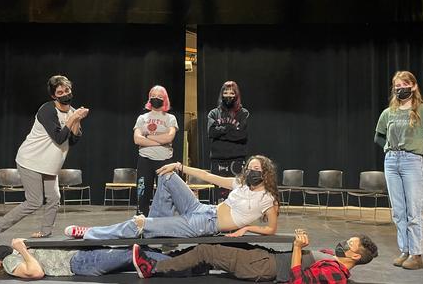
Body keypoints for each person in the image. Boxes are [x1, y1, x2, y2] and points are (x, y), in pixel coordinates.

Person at [0, 75, 89, 248]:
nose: (65, 94)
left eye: (67, 90)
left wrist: (76, 118)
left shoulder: (72, 111)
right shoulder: (47, 110)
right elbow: (60, 138)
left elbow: (73, 140)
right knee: (34, 201)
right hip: (31, 160)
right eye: (60, 92)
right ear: (54, 96)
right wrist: (73, 118)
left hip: (49, 165)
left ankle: (45, 233)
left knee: (54, 198)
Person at [64, 155, 279, 240]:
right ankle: (157, 233)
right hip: (203, 209)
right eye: (249, 167)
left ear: (265, 173)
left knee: (140, 223)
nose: (251, 171)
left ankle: (90, 233)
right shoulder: (240, 183)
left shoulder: (268, 199)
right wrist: (179, 166)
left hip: (204, 224)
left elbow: (271, 229)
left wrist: (247, 228)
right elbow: (208, 176)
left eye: (256, 168)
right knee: (167, 177)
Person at [374, 71, 423, 270]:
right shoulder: (388, 113)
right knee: (398, 211)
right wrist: (389, 149)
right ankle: (404, 250)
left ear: (413, 86)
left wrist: (420, 153)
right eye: (397, 85)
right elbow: (378, 137)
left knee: (414, 211)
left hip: (411, 162)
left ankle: (416, 254)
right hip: (391, 162)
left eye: (404, 84)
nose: (400, 88)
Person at [132, 229, 378, 283]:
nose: (343, 243)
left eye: (349, 244)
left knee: (207, 250)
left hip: (266, 268)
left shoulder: (337, 275)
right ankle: (188, 265)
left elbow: (298, 281)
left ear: (355, 256)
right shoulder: (331, 258)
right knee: (215, 240)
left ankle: (152, 268)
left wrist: (296, 248)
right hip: (267, 257)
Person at [0, 238, 137, 278]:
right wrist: (23, 250)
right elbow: (35, 272)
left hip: (79, 250)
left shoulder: (14, 254)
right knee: (132, 255)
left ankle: (161, 260)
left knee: (134, 252)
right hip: (78, 262)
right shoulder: (9, 262)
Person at [133, 85, 178, 216]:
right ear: (149, 98)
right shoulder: (142, 118)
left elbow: (169, 137)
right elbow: (137, 139)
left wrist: (148, 137)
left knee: (165, 195)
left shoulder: (170, 118)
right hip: (145, 160)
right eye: (153, 96)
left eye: (159, 96)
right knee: (143, 193)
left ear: (165, 99)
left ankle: (163, 222)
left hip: (164, 160)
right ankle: (141, 221)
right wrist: (160, 140)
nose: (156, 98)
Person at [207, 81, 250, 203]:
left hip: (236, 160)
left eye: (231, 93)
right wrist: (229, 129)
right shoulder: (214, 113)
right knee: (218, 195)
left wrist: (220, 132)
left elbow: (242, 135)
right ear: (221, 94)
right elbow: (211, 133)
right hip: (217, 159)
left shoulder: (243, 113)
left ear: (236, 95)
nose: (228, 95)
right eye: (225, 92)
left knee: (236, 195)